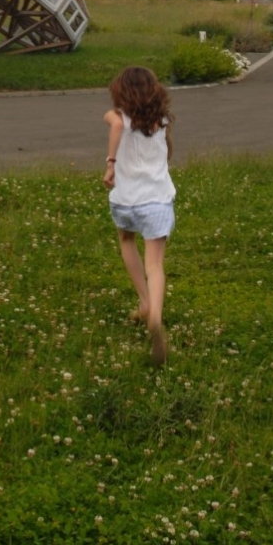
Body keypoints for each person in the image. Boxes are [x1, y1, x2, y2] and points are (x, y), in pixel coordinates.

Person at [103, 66, 176, 365]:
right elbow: (166, 153)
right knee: (155, 264)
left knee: (126, 240)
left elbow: (118, 126)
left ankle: (144, 303)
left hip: (126, 199)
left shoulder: (116, 116)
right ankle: (154, 317)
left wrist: (110, 164)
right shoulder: (162, 120)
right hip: (156, 200)